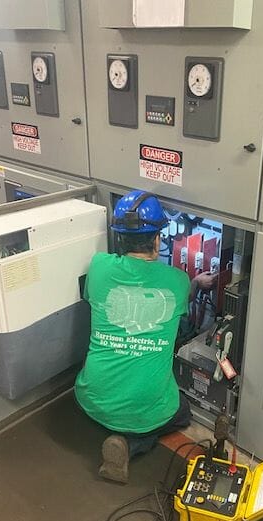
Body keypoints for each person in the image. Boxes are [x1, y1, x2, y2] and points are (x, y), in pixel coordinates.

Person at [75, 190, 216, 483]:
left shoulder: (98, 267)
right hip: (145, 409)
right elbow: (181, 305)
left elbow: (92, 297)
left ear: (118, 238)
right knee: (182, 413)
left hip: (91, 398)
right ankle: (131, 444)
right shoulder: (176, 281)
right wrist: (195, 283)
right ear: (157, 239)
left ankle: (119, 434)